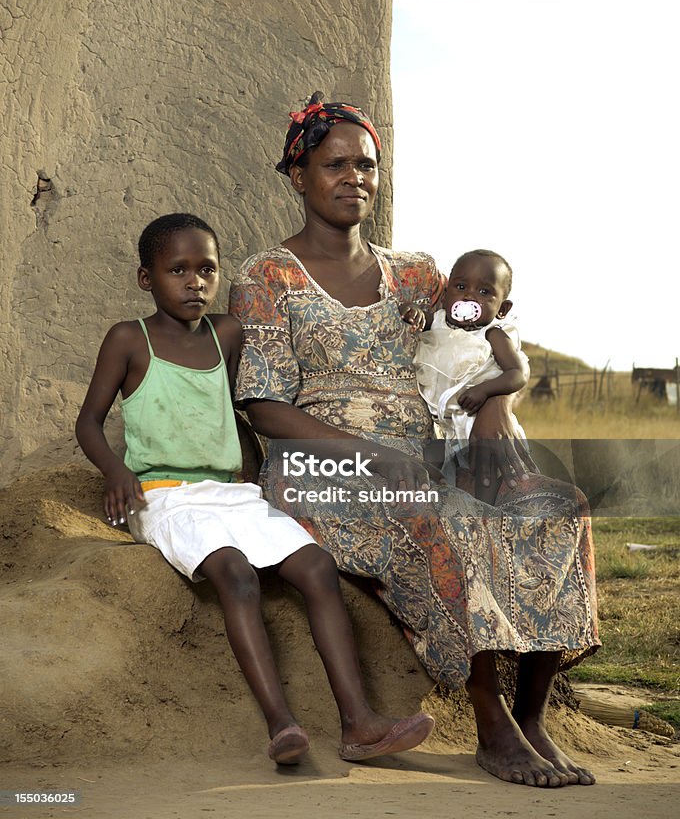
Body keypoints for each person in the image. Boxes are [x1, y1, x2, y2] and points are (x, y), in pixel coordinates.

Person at [229, 94, 600, 787]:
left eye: (366, 165)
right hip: (322, 464)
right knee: (432, 513)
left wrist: (494, 403)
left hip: (430, 456)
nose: (355, 178)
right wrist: (377, 455)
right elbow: (263, 404)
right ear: (298, 175)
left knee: (561, 507)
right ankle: (491, 726)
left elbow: (474, 342)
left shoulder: (419, 273)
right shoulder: (266, 277)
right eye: (334, 164)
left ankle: (534, 715)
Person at [75, 212, 435, 766]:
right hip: (163, 493)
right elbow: (89, 422)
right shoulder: (129, 339)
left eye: (207, 270)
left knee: (316, 566)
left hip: (232, 493)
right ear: (147, 279)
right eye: (178, 270)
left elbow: (245, 406)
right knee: (236, 574)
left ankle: (359, 723)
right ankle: (282, 723)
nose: (194, 282)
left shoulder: (227, 335)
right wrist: (117, 473)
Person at [402, 249, 529, 503]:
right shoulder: (438, 321)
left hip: (477, 418)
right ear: (447, 293)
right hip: (445, 424)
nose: (469, 296)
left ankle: (486, 512)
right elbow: (419, 317)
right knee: (439, 470)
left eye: (484, 292)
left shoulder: (493, 334)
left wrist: (486, 390)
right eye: (460, 286)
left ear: (502, 308)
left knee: (484, 466)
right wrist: (412, 312)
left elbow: (517, 374)